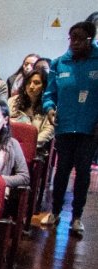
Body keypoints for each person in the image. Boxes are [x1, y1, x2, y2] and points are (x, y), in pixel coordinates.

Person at [41, 21, 98, 235]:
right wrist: (49, 109)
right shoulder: (59, 63)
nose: (74, 42)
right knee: (62, 169)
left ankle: (76, 217)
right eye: (71, 37)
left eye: (79, 38)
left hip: (89, 128)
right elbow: (49, 94)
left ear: (90, 39)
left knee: (82, 172)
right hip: (64, 125)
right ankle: (55, 212)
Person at [8, 70, 55, 156]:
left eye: (36, 83)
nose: (31, 86)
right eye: (29, 82)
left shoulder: (49, 107)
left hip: (33, 149)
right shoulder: (12, 101)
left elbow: (48, 131)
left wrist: (27, 145)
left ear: (44, 86)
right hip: (9, 145)